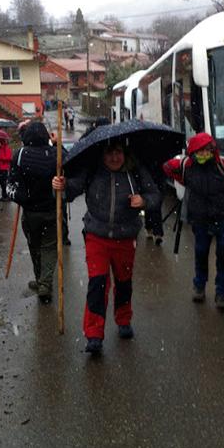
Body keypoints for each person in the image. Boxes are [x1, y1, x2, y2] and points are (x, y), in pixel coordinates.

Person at [53, 140, 159, 354]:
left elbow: (155, 195)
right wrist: (61, 186)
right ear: (102, 155)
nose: (114, 158)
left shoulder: (135, 171)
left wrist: (144, 201)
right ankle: (93, 334)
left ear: (124, 153)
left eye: (118, 152)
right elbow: (72, 190)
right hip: (96, 236)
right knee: (97, 283)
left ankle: (123, 320)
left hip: (126, 236)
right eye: (109, 153)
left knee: (123, 282)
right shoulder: (93, 169)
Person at [163, 132, 224, 310]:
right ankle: (199, 285)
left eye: (208, 149)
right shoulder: (187, 165)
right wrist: (182, 176)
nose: (204, 153)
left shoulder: (221, 165)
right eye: (200, 150)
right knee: (201, 252)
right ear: (193, 151)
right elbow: (167, 167)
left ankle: (221, 292)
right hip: (200, 218)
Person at [7, 121, 60, 304]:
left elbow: (11, 183)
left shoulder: (20, 155)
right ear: (46, 135)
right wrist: (57, 143)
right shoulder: (55, 154)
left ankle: (41, 281)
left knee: (35, 247)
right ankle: (44, 283)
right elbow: (69, 164)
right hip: (52, 210)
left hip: (30, 213)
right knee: (50, 247)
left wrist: (20, 197)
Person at [144, 164, 166, 245]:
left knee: (155, 206)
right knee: (151, 206)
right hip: (149, 179)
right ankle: (154, 230)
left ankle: (154, 231)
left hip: (158, 180)